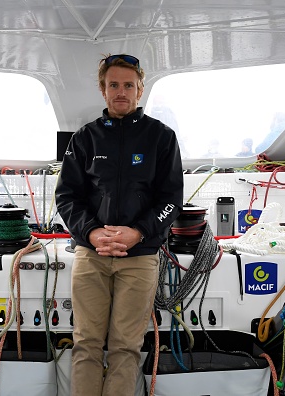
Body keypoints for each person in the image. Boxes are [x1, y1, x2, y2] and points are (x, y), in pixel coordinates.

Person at [55, 54, 184, 396]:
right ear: (103, 90)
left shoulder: (161, 138)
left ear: (140, 90)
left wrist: (138, 232)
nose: (121, 92)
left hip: (139, 257)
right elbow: (67, 197)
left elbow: (171, 199)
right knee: (86, 344)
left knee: (126, 347)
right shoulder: (84, 139)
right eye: (114, 85)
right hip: (91, 254)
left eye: (129, 85)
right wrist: (93, 232)